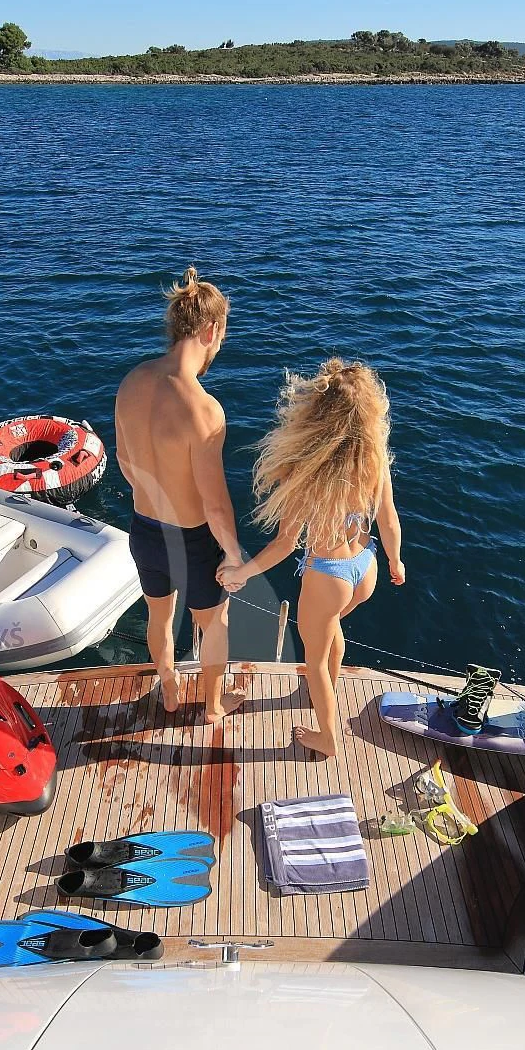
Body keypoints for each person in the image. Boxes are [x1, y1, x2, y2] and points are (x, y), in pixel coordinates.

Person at [218, 358, 404, 758]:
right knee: (332, 630)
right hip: (365, 568)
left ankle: (328, 738)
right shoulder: (374, 461)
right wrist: (396, 561)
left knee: (314, 659)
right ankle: (326, 692)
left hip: (328, 575)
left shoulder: (305, 469)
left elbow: (285, 544)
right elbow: (388, 519)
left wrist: (241, 572)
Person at [113, 267, 247, 724]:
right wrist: (233, 555)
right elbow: (214, 504)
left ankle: (169, 689)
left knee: (159, 616)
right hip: (192, 541)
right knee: (214, 624)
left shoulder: (131, 381)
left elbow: (125, 462)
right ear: (212, 330)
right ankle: (211, 707)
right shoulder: (204, 410)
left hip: (144, 529)